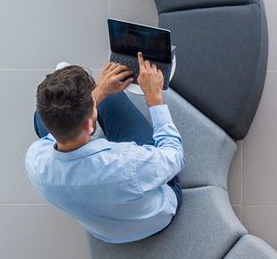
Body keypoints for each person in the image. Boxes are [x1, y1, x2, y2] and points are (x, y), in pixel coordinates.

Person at [25, 54, 184, 243]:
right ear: (89, 126)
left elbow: (49, 133)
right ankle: (87, 108)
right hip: (155, 220)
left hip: (107, 234)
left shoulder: (34, 160)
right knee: (112, 100)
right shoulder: (128, 161)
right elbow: (174, 156)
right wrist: (154, 96)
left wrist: (97, 94)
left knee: (40, 118)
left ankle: (71, 115)